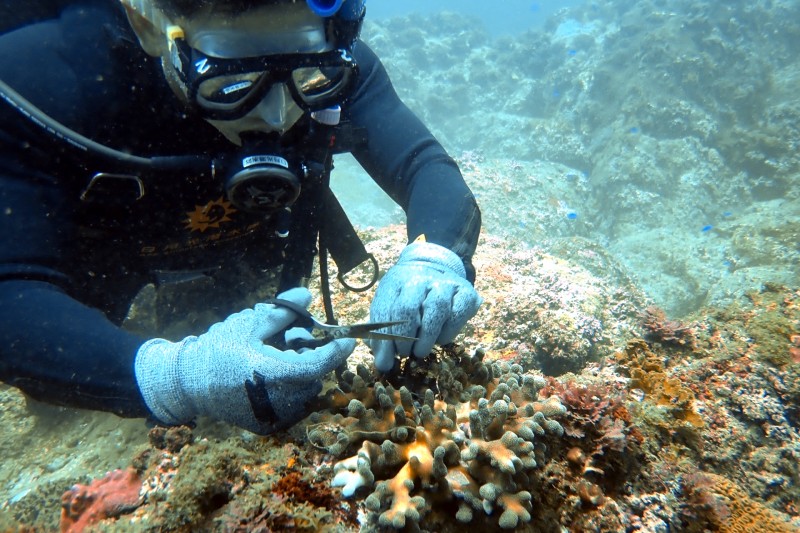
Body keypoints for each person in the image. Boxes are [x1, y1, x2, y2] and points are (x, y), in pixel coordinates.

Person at [0, 0, 482, 435]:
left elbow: (424, 166)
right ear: (151, 25)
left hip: (251, 257)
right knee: (56, 401)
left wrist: (434, 257)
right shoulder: (37, 80)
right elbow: (10, 295)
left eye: (309, 79)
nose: (276, 117)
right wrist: (173, 376)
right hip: (105, 267)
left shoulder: (337, 62)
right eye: (232, 82)